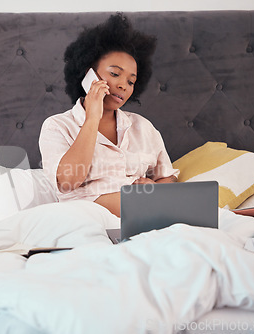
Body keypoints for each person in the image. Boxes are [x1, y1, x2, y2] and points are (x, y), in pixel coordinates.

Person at [39, 13, 179, 217]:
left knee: (210, 215)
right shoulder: (57, 126)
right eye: (115, 74)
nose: (123, 85)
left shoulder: (142, 127)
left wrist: (155, 187)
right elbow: (68, 181)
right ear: (88, 74)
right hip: (88, 221)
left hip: (146, 217)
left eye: (131, 81)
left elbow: (167, 177)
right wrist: (92, 118)